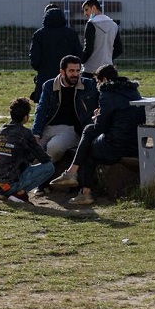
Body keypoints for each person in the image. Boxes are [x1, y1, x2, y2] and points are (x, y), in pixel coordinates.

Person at [50, 64, 145, 207]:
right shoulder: (132, 91)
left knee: (88, 137)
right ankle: (77, 182)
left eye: (98, 82)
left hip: (117, 145)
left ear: (104, 79)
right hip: (134, 144)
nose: (98, 85)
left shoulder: (108, 93)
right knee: (90, 142)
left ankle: (78, 183)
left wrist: (96, 118)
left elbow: (101, 127)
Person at [32, 54, 99, 169]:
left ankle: (36, 177)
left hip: (71, 129)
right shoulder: (49, 86)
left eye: (78, 70)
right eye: (71, 71)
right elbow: (41, 109)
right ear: (62, 72)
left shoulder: (89, 85)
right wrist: (36, 133)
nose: (75, 74)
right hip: (48, 128)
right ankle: (26, 178)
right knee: (30, 148)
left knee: (54, 148)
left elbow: (103, 98)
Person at [0, 98, 54, 203]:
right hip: (10, 185)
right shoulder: (25, 133)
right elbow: (44, 158)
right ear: (25, 117)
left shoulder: (2, 128)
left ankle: (3, 192)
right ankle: (18, 193)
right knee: (49, 167)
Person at [28, 5, 76, 100]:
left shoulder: (39, 34)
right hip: (66, 76)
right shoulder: (71, 34)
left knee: (44, 104)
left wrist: (39, 67)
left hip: (45, 75)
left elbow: (34, 57)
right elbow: (78, 54)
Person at [79, 0, 120, 77]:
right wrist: (108, 58)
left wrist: (81, 61)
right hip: (108, 68)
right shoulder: (114, 25)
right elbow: (119, 49)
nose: (85, 13)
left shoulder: (91, 24)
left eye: (86, 10)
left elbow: (88, 49)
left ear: (93, 8)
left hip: (90, 69)